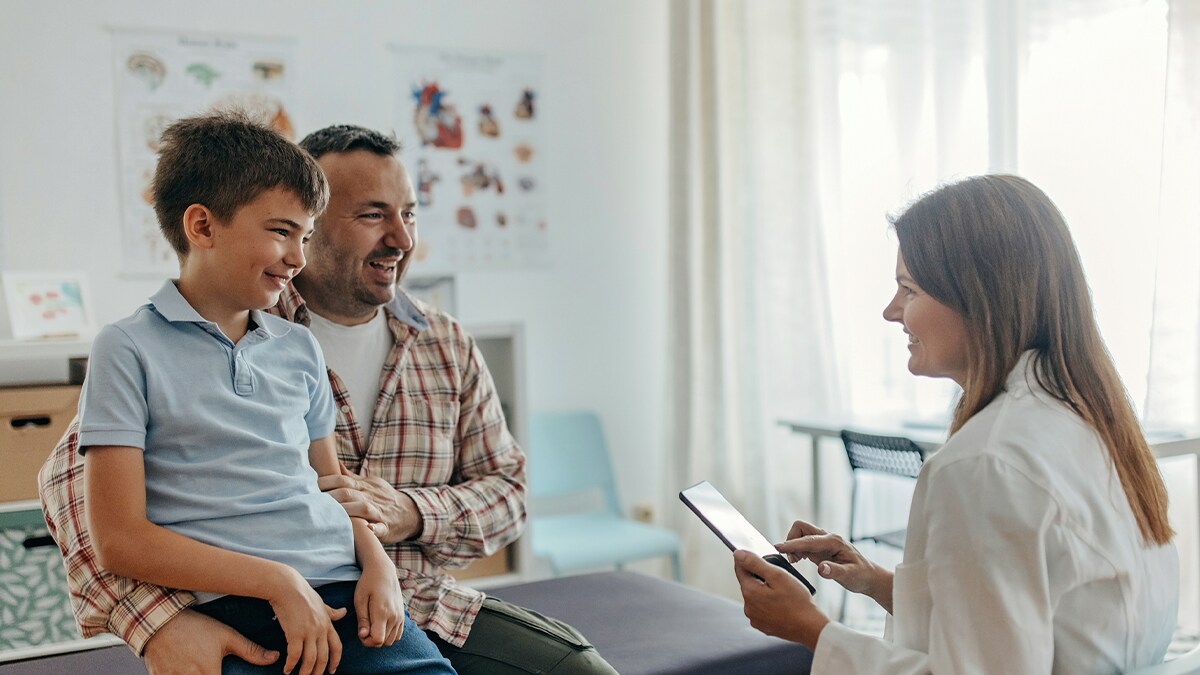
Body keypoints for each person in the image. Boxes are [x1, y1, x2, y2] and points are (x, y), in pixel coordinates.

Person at [39, 123, 618, 675]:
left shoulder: (442, 344)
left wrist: (409, 516)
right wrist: (159, 623)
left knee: (580, 670)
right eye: (373, 215)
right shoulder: (179, 338)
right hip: (271, 599)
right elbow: (75, 499)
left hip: (419, 601)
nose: (403, 238)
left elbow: (509, 492)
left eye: (409, 214)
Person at [732, 175, 1179, 673]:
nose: (890, 311)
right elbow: (1021, 615)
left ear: (979, 300)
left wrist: (810, 629)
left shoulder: (985, 464)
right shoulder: (1086, 416)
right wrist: (874, 580)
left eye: (909, 289)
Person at [71, 111, 455, 675]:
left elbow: (331, 488)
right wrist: (276, 581)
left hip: (344, 590)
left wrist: (378, 564)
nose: (298, 257)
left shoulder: (299, 347)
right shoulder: (126, 348)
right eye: (280, 231)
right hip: (238, 608)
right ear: (201, 227)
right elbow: (121, 541)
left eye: (305, 234)